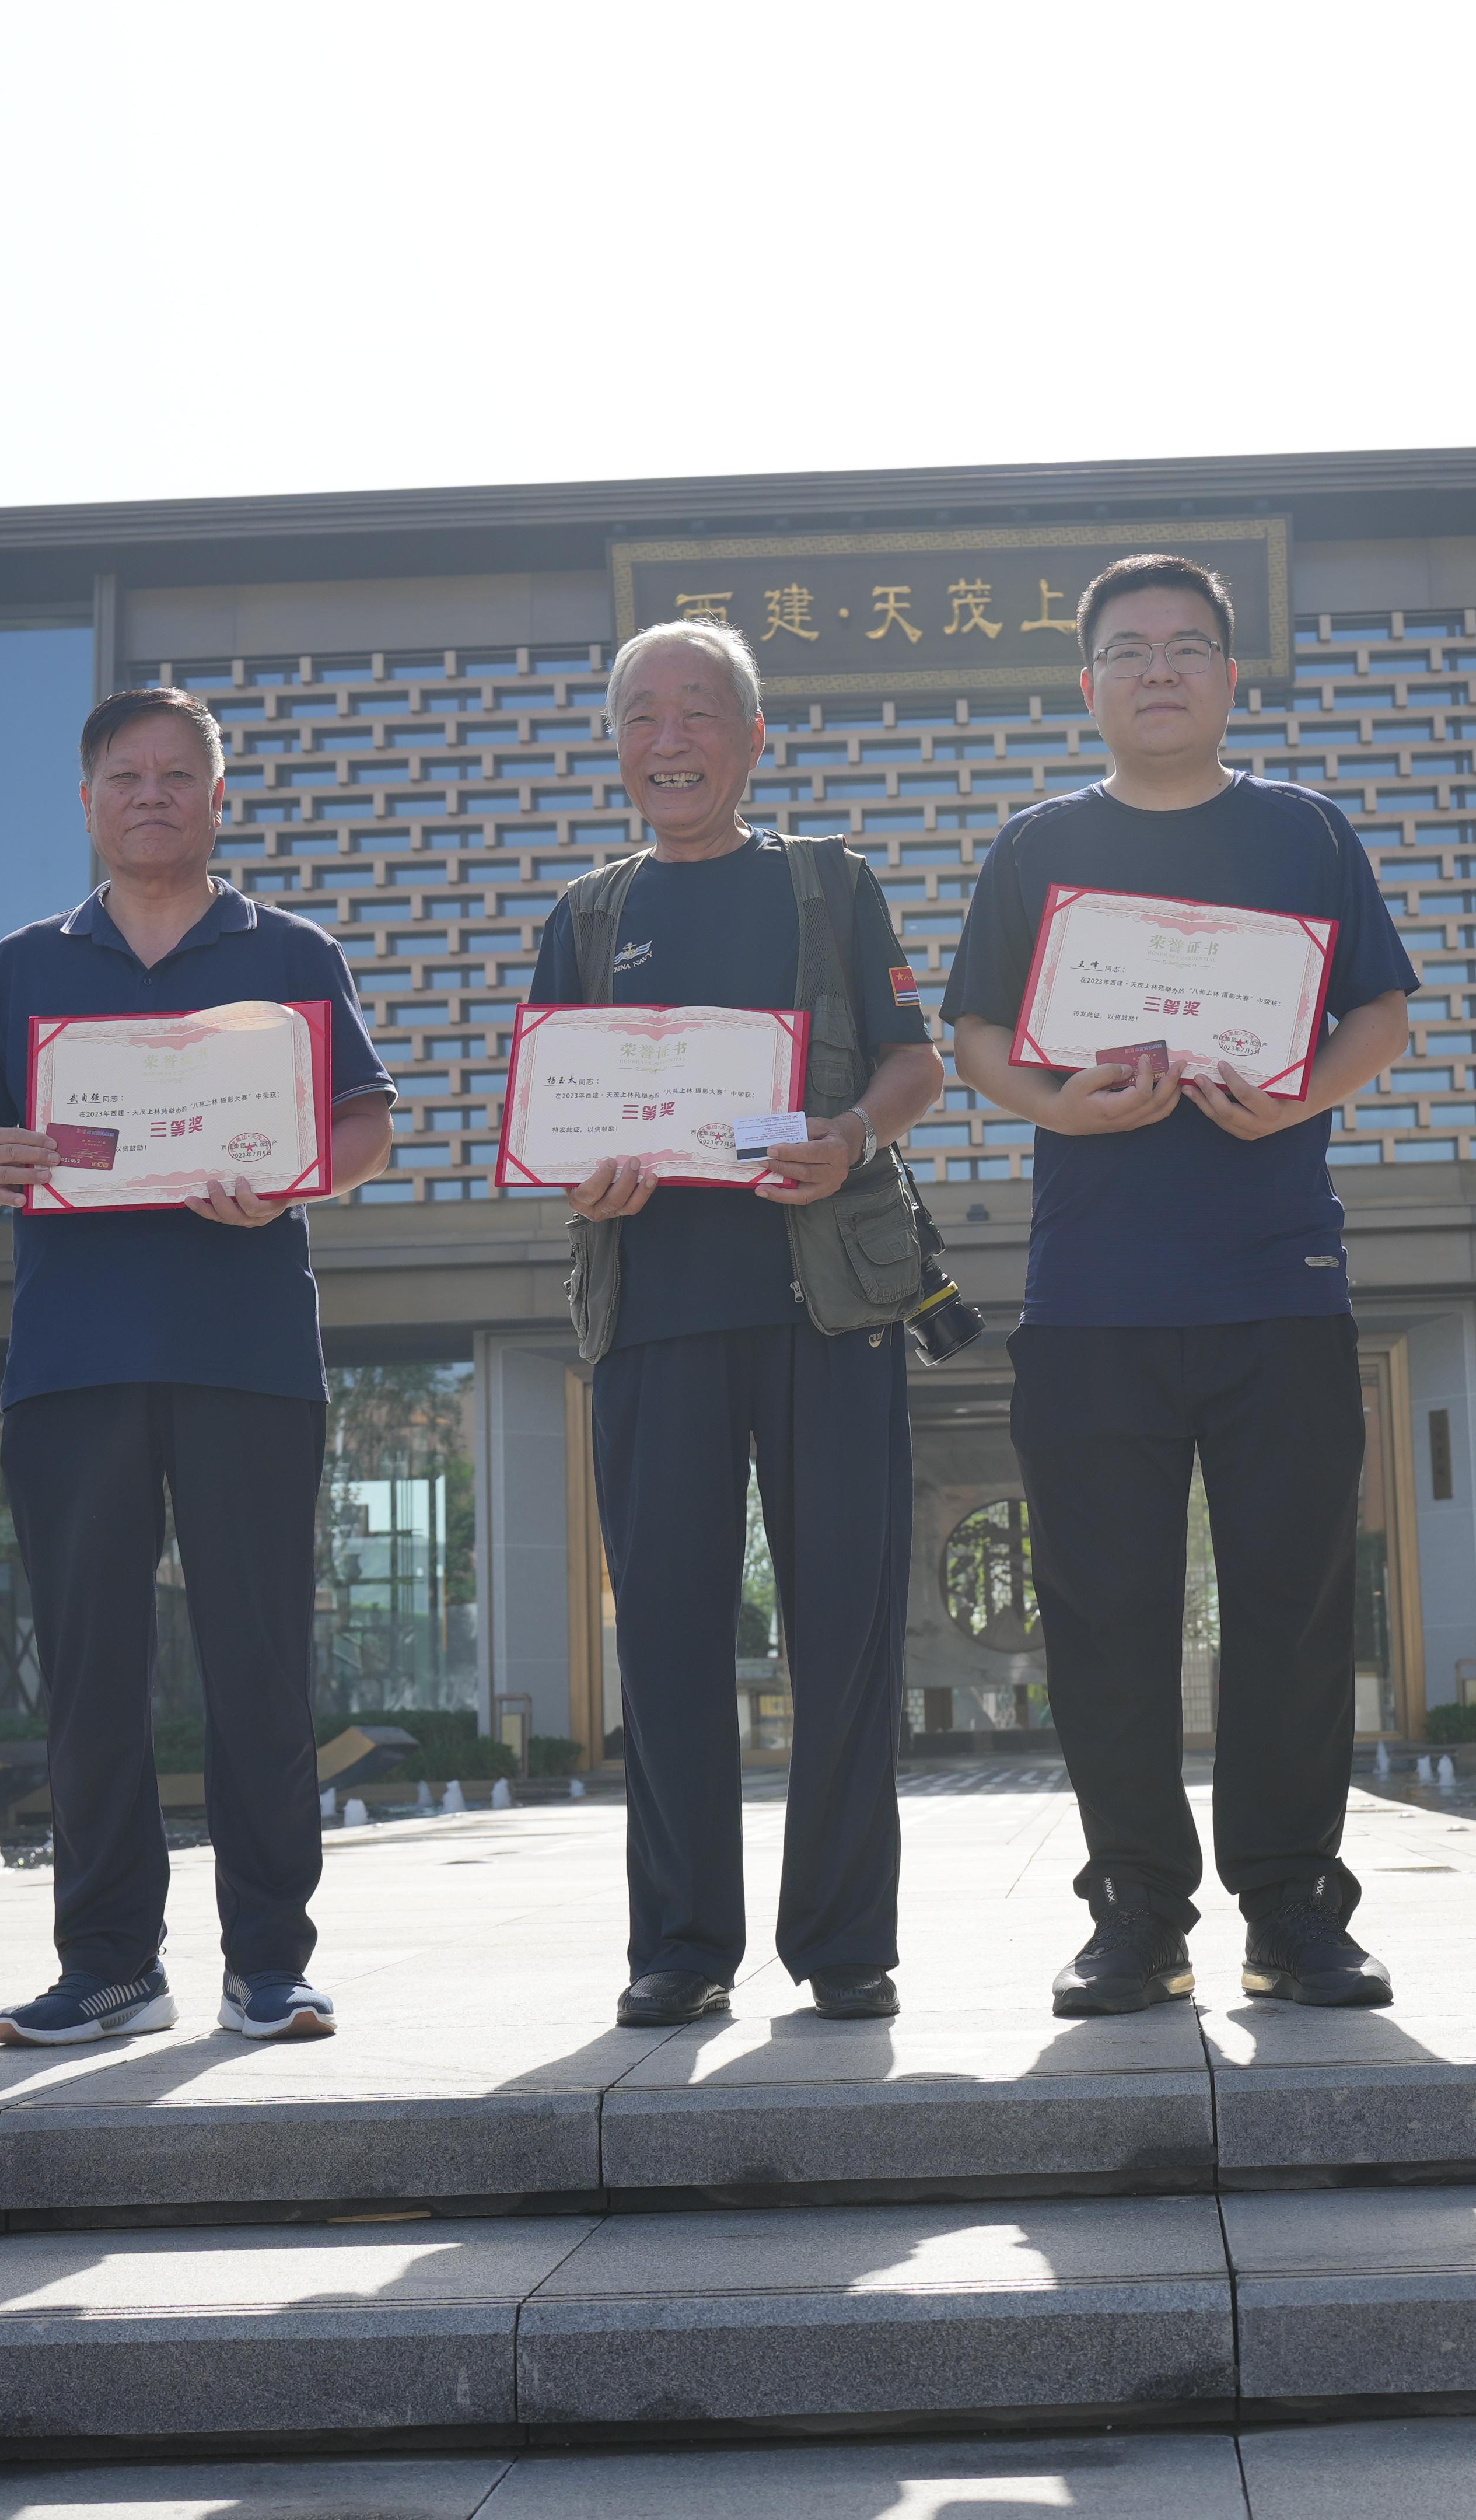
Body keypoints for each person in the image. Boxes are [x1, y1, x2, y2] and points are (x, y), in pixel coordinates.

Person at [943, 553, 1416, 2018]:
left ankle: (1293, 1910)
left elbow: (1381, 1013)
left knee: (1292, 1609)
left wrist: (1298, 1098)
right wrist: (1060, 1108)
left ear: (1229, 673)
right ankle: (1138, 1912)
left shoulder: (1302, 831)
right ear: (1086, 682)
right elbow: (976, 1038)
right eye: (1129, 648)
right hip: (1093, 1295)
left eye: (1188, 645)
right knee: (1106, 1619)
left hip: (1280, 1281)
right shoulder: (1037, 847)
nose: (1159, 669)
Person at [0, 688, 394, 2046]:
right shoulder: (25, 966)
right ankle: (110, 1964)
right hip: (72, 1363)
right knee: (90, 1671)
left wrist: (292, 1176)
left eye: (176, 775)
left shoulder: (291, 951)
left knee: (258, 1663)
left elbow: (365, 1125)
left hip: (248, 1358)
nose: (150, 795)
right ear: (87, 802)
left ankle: (269, 1964)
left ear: (216, 797)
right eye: (124, 776)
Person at [535, 616, 946, 2028]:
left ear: (753, 736)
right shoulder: (587, 918)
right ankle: (680, 1943)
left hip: (825, 1306)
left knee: (844, 1629)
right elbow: (551, 1113)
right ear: (614, 744)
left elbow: (912, 1062)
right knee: (663, 1637)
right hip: (652, 1315)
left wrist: (850, 1134)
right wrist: (582, 1172)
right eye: (641, 714)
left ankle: (844, 1940)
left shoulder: (829, 885)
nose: (670, 739)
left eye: (698, 710)